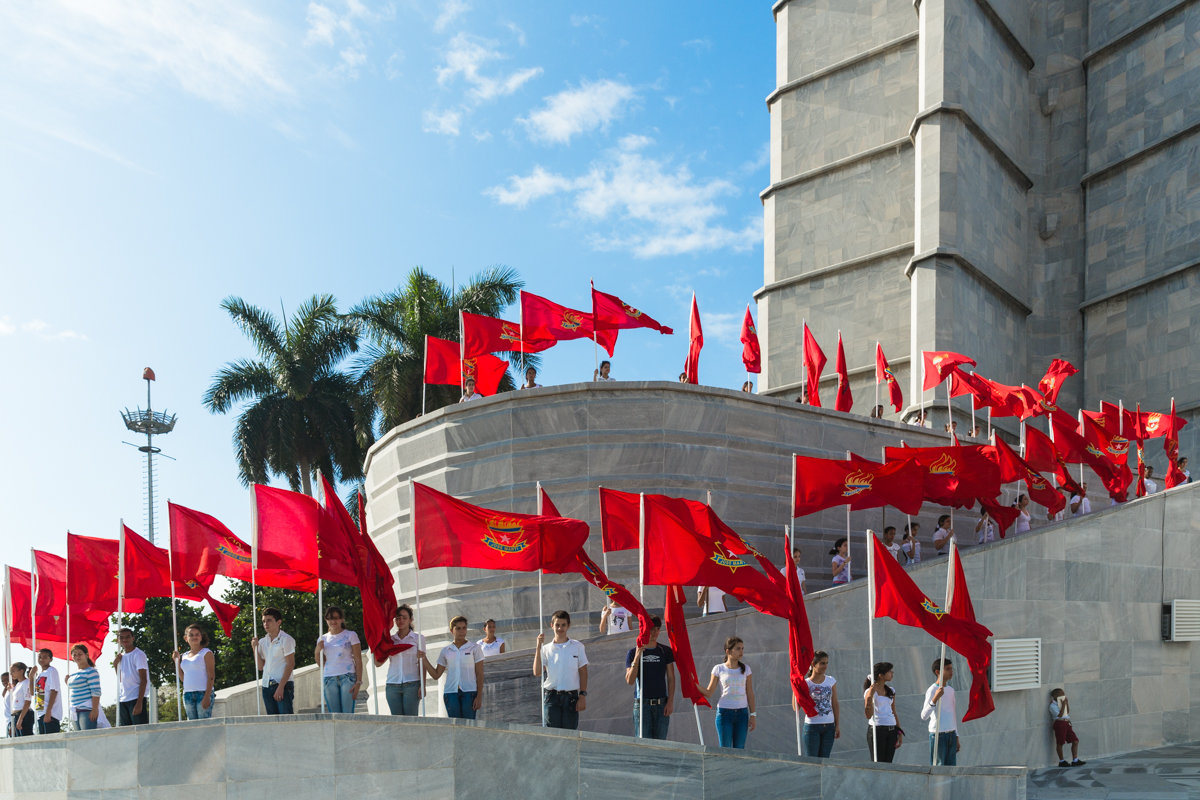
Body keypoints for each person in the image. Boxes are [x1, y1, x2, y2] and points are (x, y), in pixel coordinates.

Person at [533, 610, 588, 729]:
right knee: (553, 737)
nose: (560, 628)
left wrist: (582, 695)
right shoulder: (546, 649)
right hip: (551, 697)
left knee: (570, 735)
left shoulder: (578, 646)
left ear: (568, 625)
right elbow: (537, 672)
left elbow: (583, 671)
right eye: (557, 625)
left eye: (563, 625)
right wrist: (538, 648)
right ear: (552, 625)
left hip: (571, 698)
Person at [698, 636, 755, 749]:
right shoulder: (718, 669)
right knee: (725, 750)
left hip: (742, 714)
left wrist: (753, 715)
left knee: (739, 750)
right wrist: (693, 684)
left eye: (742, 648)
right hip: (724, 714)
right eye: (738, 648)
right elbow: (709, 692)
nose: (741, 652)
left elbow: (750, 693)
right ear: (728, 651)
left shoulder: (746, 669)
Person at [624, 614, 675, 739]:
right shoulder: (632, 652)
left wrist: (670, 702)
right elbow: (630, 680)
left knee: (660, 744)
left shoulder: (665, 651)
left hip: (661, 704)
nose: (654, 632)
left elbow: (671, 678)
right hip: (642, 705)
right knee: (643, 745)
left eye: (657, 629)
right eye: (651, 629)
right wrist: (637, 657)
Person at [425, 616, 484, 719]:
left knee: (468, 726)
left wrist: (479, 697)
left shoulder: (475, 648)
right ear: (452, 630)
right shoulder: (446, 650)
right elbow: (436, 675)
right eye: (458, 628)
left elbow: (479, 674)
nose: (462, 631)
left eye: (464, 628)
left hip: (469, 693)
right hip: (450, 693)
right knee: (455, 727)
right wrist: (423, 659)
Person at [316, 606, 362, 714]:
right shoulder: (322, 638)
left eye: (336, 618)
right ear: (326, 620)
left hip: (348, 677)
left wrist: (359, 681)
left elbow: (358, 660)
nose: (333, 621)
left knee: (347, 715)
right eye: (330, 618)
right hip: (329, 678)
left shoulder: (351, 635)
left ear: (342, 619)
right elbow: (321, 664)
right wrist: (317, 651)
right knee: (334, 716)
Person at [251, 607, 296, 715]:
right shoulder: (262, 642)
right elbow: (260, 667)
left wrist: (281, 687)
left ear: (278, 622)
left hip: (282, 685)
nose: (266, 623)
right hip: (266, 685)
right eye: (263, 621)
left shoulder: (287, 639)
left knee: (286, 721)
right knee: (272, 723)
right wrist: (254, 648)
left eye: (269, 620)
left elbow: (291, 664)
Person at [385, 604, 425, 715]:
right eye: (398, 618)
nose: (401, 620)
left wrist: (423, 685)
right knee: (397, 722)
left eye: (404, 617)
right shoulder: (390, 640)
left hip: (412, 684)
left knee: (411, 721)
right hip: (392, 684)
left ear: (410, 619)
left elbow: (423, 663)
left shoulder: (418, 639)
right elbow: (378, 662)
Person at [920, 658, 960, 766]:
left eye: (951, 669)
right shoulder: (932, 690)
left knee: (951, 767)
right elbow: (924, 715)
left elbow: (953, 714)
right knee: (939, 767)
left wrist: (956, 735)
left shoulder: (951, 690)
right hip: (938, 735)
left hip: (951, 734)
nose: (951, 672)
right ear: (937, 672)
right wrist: (935, 698)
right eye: (947, 669)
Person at [801, 650, 839, 757]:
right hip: (812, 726)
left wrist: (837, 725)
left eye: (827, 663)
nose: (825, 666)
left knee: (825, 759)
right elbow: (796, 707)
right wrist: (796, 690)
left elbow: (835, 703)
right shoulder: (806, 683)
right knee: (813, 760)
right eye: (822, 663)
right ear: (813, 664)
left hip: (829, 726)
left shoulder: (831, 680)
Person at [174, 624, 216, 720]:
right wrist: (176, 662)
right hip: (188, 694)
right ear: (186, 638)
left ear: (201, 637)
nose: (194, 637)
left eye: (197, 634)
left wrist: (207, 696)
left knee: (203, 726)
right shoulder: (184, 656)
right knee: (192, 727)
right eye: (191, 635)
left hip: (203, 693)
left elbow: (211, 676)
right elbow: (183, 678)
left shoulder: (206, 653)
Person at [863, 661, 903, 762]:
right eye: (889, 671)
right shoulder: (870, 691)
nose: (892, 673)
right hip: (877, 729)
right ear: (881, 675)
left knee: (888, 762)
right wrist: (870, 696)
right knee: (878, 763)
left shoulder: (891, 690)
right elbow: (868, 715)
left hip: (891, 729)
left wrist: (899, 731)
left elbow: (893, 711)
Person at [114, 628, 150, 725]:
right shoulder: (121, 657)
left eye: (128, 637)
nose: (125, 640)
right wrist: (115, 665)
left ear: (133, 638)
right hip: (123, 699)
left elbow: (144, 680)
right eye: (121, 638)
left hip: (136, 698)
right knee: (126, 733)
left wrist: (139, 703)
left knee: (140, 731)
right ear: (118, 640)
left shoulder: (139, 654)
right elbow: (121, 679)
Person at [68, 644, 103, 730]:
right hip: (74, 710)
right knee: (79, 739)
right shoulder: (73, 674)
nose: (77, 656)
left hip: (86, 709)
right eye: (74, 654)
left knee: (87, 738)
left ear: (86, 655)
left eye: (80, 654)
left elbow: (96, 692)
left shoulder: (91, 671)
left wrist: (95, 710)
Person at [1049, 688, 1085, 767]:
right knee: (1060, 742)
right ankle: (1062, 761)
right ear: (1055, 696)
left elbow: (1067, 712)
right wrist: (1064, 705)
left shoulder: (1061, 703)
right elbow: (1060, 715)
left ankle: (1075, 760)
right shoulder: (1052, 705)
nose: (1063, 696)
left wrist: (1066, 703)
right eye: (1060, 694)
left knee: (1075, 741)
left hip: (1066, 723)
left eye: (1063, 694)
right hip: (1060, 723)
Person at [32, 648, 63, 733]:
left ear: (51, 659)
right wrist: (31, 677)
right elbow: (32, 693)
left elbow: (54, 691)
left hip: (49, 713)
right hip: (40, 713)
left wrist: (48, 712)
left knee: (52, 743)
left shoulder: (52, 671)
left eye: (45, 657)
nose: (41, 659)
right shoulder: (40, 675)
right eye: (40, 657)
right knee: (44, 743)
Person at [10, 663, 33, 737]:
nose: (11, 674)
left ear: (21, 671)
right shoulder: (18, 684)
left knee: (25, 738)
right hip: (16, 715)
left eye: (13, 671)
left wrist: (20, 719)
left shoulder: (26, 683)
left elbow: (27, 702)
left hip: (24, 715)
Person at [1, 672, 11, 737]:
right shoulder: (6, 691)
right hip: (8, 720)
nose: (4, 682)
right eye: (2, 681)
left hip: (13, 720)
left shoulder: (13, 689)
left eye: (7, 679)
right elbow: (3, 694)